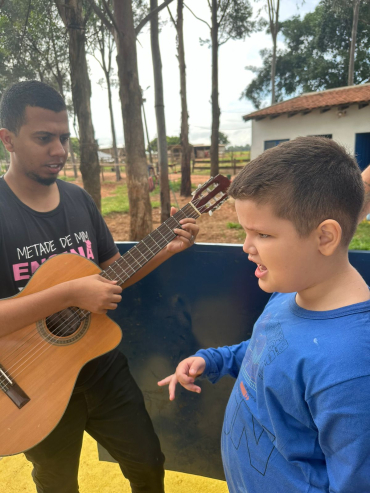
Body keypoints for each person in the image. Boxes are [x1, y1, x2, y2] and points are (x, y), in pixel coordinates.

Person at [0, 80, 199, 493]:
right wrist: (71, 293)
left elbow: (112, 272)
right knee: (57, 485)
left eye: (64, 137)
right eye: (44, 138)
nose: (60, 150)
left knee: (148, 464)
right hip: (33, 381)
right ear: (8, 139)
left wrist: (167, 249)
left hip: (101, 366)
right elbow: (79, 290)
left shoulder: (79, 200)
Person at [159, 136, 370, 493]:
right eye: (245, 231)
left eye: (263, 233)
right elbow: (267, 351)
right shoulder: (289, 290)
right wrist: (212, 360)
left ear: (324, 238)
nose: (246, 247)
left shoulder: (351, 367)